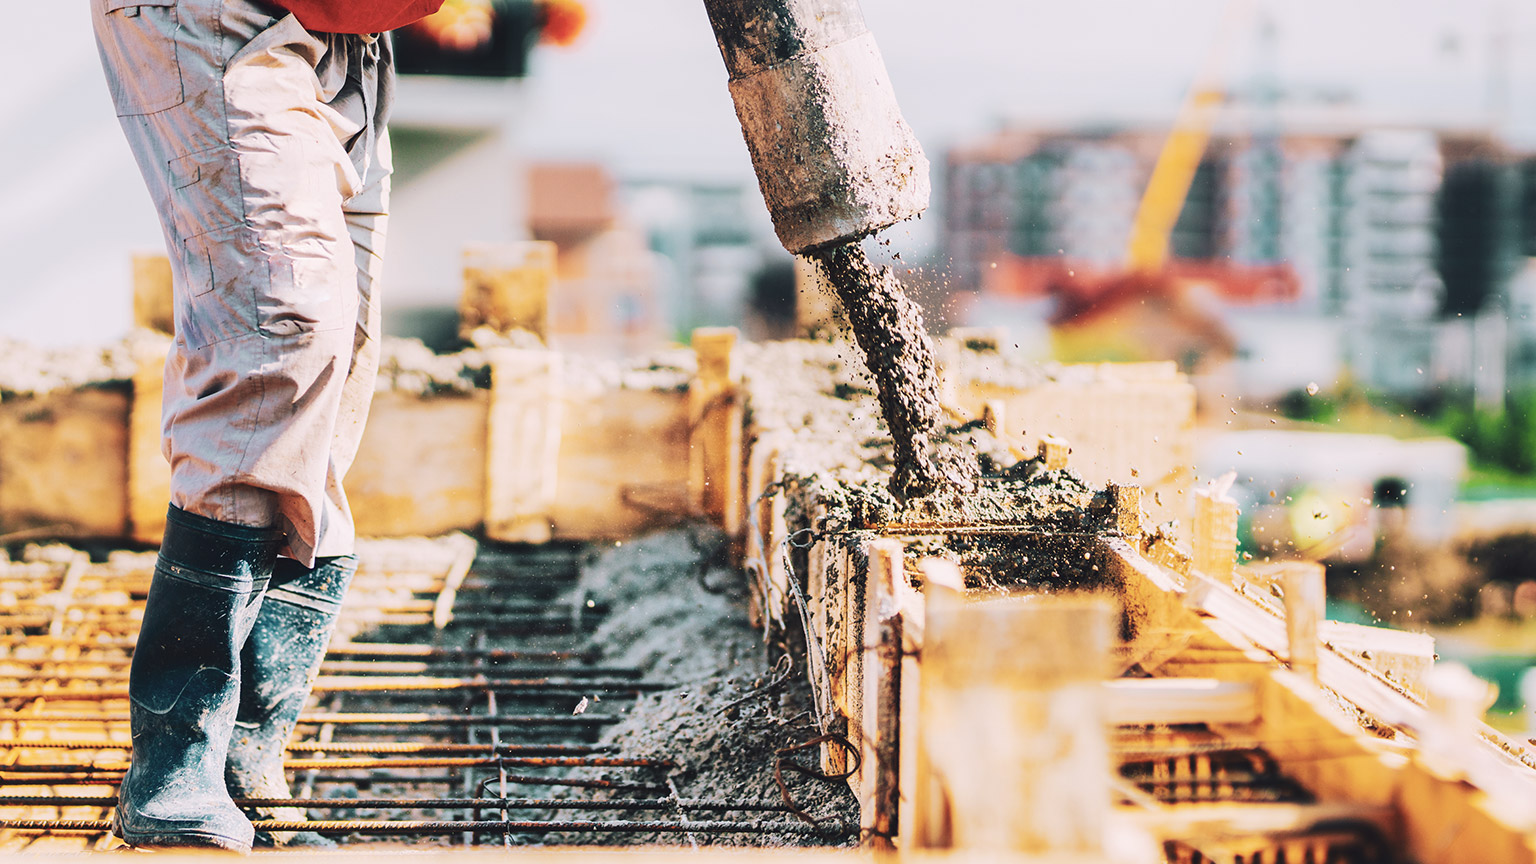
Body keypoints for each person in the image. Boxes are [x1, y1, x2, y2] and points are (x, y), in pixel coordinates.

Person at [91, 0, 444, 851]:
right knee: (280, 331)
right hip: (221, 14)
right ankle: (175, 773)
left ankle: (246, 766)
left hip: (345, 34)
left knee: (336, 366)